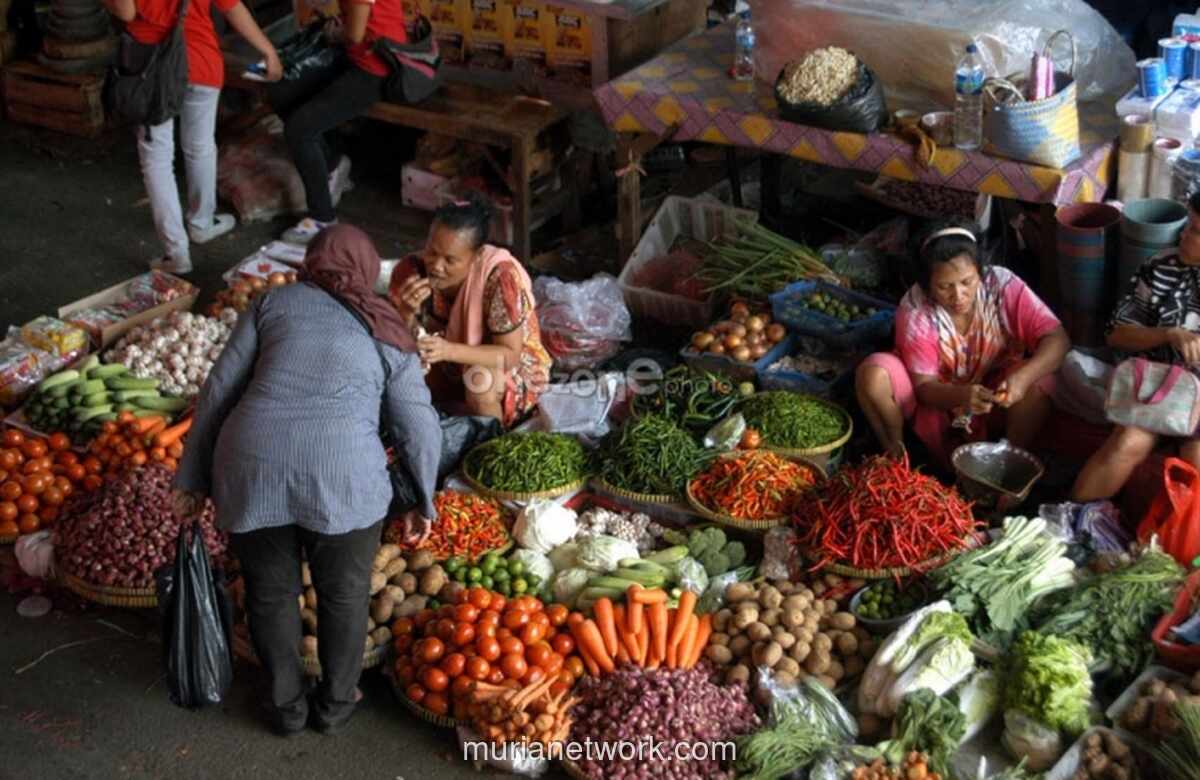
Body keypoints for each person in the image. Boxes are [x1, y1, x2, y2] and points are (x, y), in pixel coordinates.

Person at [173, 224, 440, 736]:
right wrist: (424, 498)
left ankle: (286, 709)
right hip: (344, 474)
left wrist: (193, 479)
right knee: (344, 595)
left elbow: (218, 391)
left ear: (311, 263)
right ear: (366, 270)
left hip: (252, 463)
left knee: (270, 593)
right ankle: (336, 705)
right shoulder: (386, 324)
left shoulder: (274, 304)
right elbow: (417, 423)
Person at [856, 222, 1070, 468]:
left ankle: (1007, 463)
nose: (958, 296)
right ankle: (897, 455)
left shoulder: (1001, 285)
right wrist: (962, 396)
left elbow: (1058, 339)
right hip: (937, 400)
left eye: (967, 282)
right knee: (873, 373)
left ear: (980, 271)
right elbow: (925, 388)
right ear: (927, 284)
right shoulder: (916, 309)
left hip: (997, 396)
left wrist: (1022, 378)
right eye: (944, 287)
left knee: (1042, 379)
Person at [103, 0, 282, 273]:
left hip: (154, 69)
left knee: (157, 160)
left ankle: (177, 255)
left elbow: (126, 11)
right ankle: (202, 224)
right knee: (200, 148)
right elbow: (232, 7)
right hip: (201, 61)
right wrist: (268, 51)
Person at [1072, 194, 1200, 501]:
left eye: (1195, 230)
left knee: (1196, 462)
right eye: (1187, 225)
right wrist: (1169, 334)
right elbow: (1116, 333)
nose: (1183, 234)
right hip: (1157, 386)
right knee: (1126, 442)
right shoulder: (1161, 266)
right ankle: (1067, 523)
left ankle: (1179, 544)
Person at [388, 196, 551, 427]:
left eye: (450, 260)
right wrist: (405, 314)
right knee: (403, 373)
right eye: (432, 252)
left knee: (479, 382)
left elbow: (509, 355)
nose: (436, 266)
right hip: (447, 361)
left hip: (509, 368)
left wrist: (448, 350)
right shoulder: (412, 272)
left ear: (476, 258)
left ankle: (489, 447)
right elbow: (393, 342)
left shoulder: (499, 278)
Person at [267, 0, 408, 245]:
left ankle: (322, 217)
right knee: (282, 94)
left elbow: (354, 34)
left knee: (299, 129)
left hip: (376, 66)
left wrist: (334, 32)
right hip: (355, 55)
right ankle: (332, 164)